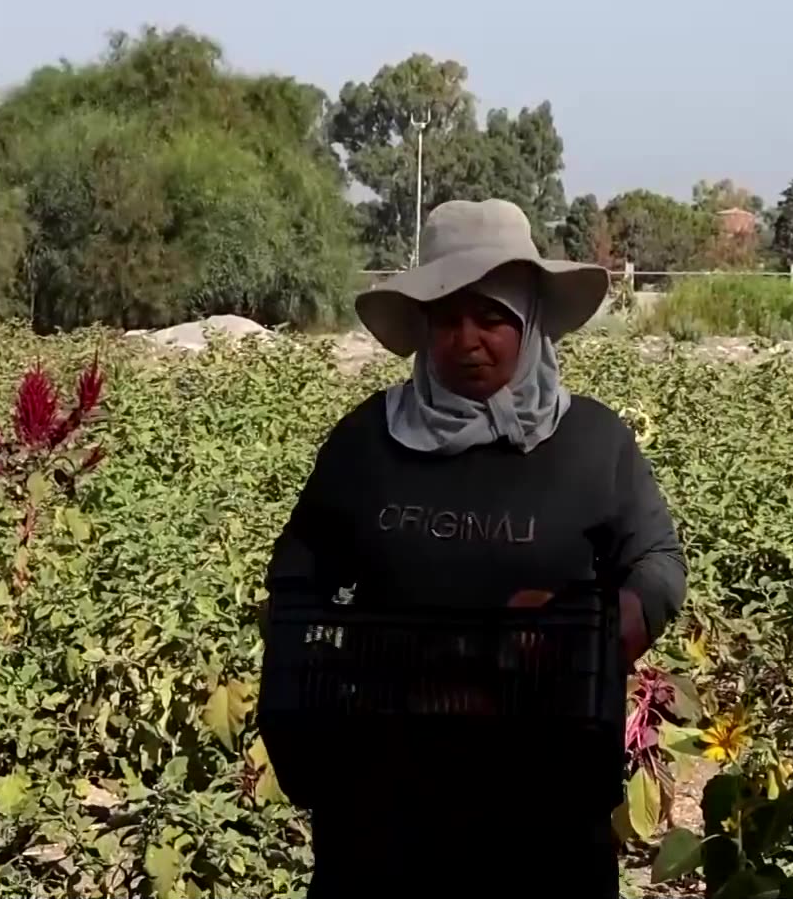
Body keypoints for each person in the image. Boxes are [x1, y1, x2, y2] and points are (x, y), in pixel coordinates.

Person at [259, 199, 687, 899]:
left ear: (530, 322)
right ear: (424, 330)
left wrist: (601, 630)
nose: (468, 339)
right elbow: (298, 568)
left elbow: (659, 562)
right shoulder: (368, 442)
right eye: (447, 318)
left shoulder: (592, 443)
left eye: (491, 318)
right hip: (381, 796)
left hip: (547, 784)